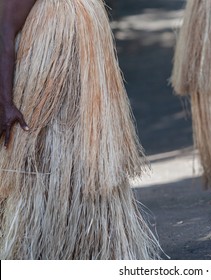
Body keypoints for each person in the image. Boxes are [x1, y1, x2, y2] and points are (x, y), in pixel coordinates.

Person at [0, 0, 159, 259]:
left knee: (89, 168)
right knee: (48, 166)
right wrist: (5, 102)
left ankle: (97, 249)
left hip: (89, 105)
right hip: (45, 96)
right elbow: (5, 30)